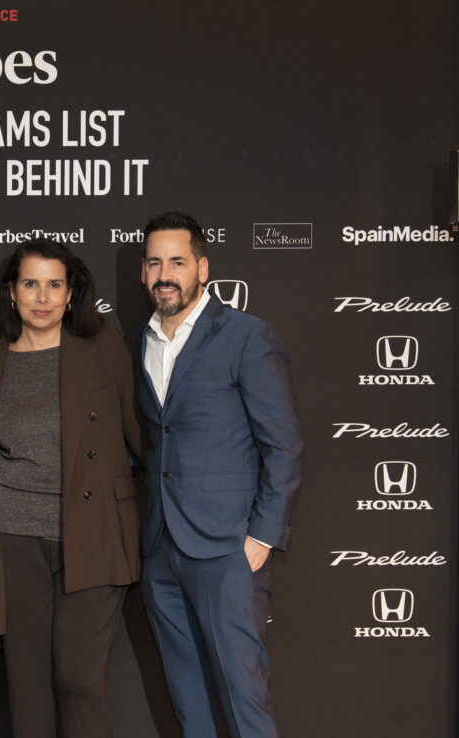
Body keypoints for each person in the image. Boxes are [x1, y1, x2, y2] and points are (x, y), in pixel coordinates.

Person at [133, 211, 303, 737]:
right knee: (190, 702)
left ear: (202, 269)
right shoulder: (141, 341)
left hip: (228, 549)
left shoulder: (247, 336)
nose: (165, 274)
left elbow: (283, 444)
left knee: (244, 697)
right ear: (143, 272)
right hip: (160, 548)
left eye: (177, 262)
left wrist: (261, 537)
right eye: (154, 263)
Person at [0, 238, 143, 738]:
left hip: (95, 533)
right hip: (16, 542)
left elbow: (140, 432)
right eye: (30, 284)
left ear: (71, 294)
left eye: (54, 285)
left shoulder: (103, 345)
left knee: (77, 680)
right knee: (27, 687)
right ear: (12, 292)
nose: (42, 297)